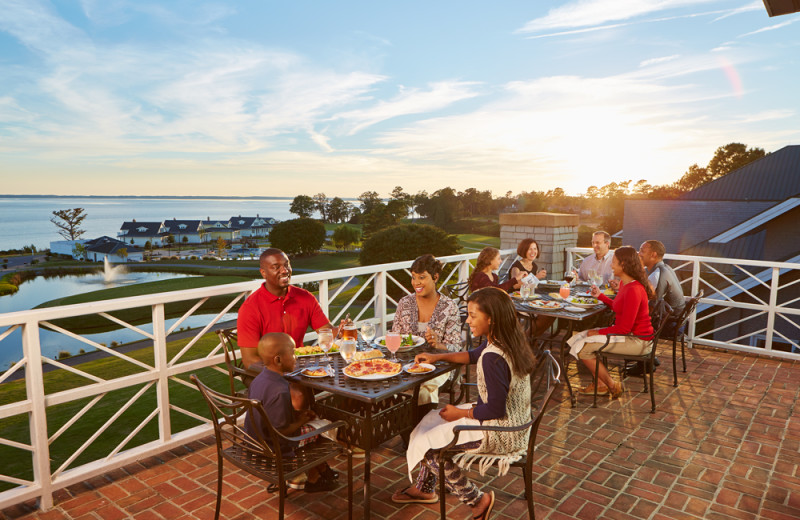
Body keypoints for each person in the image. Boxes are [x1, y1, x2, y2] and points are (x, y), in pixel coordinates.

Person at [391, 287, 536, 520]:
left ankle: (478, 501)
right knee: (430, 422)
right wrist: (437, 356)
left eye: (472, 315)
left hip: (502, 430)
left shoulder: (493, 358)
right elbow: (471, 355)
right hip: (516, 421)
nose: (467, 321)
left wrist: (460, 412)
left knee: (432, 449)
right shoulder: (505, 341)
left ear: (492, 318)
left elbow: (495, 409)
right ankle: (424, 489)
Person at [244, 332, 339, 492]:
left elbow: (270, 413)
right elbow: (282, 431)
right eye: (293, 352)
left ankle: (320, 470)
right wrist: (301, 421)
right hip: (275, 447)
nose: (296, 356)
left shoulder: (260, 379)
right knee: (327, 427)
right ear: (278, 360)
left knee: (310, 421)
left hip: (255, 440)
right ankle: (315, 478)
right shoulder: (280, 390)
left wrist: (298, 416)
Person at [567, 246, 654, 398]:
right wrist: (600, 296)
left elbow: (625, 328)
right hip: (627, 334)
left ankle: (612, 385)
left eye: (614, 262)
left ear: (623, 265)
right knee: (579, 337)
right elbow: (617, 307)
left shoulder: (634, 289)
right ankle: (600, 384)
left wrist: (599, 332)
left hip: (638, 341)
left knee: (584, 348)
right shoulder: (624, 284)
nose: (611, 265)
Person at [237, 248, 340, 371]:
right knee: (297, 390)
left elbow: (327, 332)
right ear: (263, 273)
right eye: (276, 267)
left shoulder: (305, 297)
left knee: (339, 375)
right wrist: (282, 375)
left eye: (287, 265)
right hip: (263, 373)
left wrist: (342, 331)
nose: (285, 271)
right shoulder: (250, 308)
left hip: (298, 366)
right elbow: (249, 360)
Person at [392, 255, 462, 413]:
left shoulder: (449, 307)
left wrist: (438, 344)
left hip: (440, 365)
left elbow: (457, 348)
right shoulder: (404, 303)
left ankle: (421, 428)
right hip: (406, 363)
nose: (416, 283)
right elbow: (395, 337)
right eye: (413, 277)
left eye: (422, 277)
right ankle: (399, 424)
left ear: (435, 277)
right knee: (388, 382)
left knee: (424, 387)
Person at [627, 240, 685, 376]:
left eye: (642, 251)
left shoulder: (657, 274)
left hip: (670, 324)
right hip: (675, 318)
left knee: (632, 323)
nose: (638, 253)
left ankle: (645, 363)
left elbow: (651, 306)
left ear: (653, 255)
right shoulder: (664, 268)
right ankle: (647, 356)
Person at [510, 238, 554, 337]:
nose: (533, 252)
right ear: (524, 250)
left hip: (530, 298)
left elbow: (531, 285)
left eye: (535, 249)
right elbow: (515, 285)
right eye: (530, 249)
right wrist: (536, 277)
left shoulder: (534, 266)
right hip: (517, 301)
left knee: (550, 314)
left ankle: (531, 337)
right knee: (546, 314)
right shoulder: (516, 266)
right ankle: (526, 339)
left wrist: (537, 280)